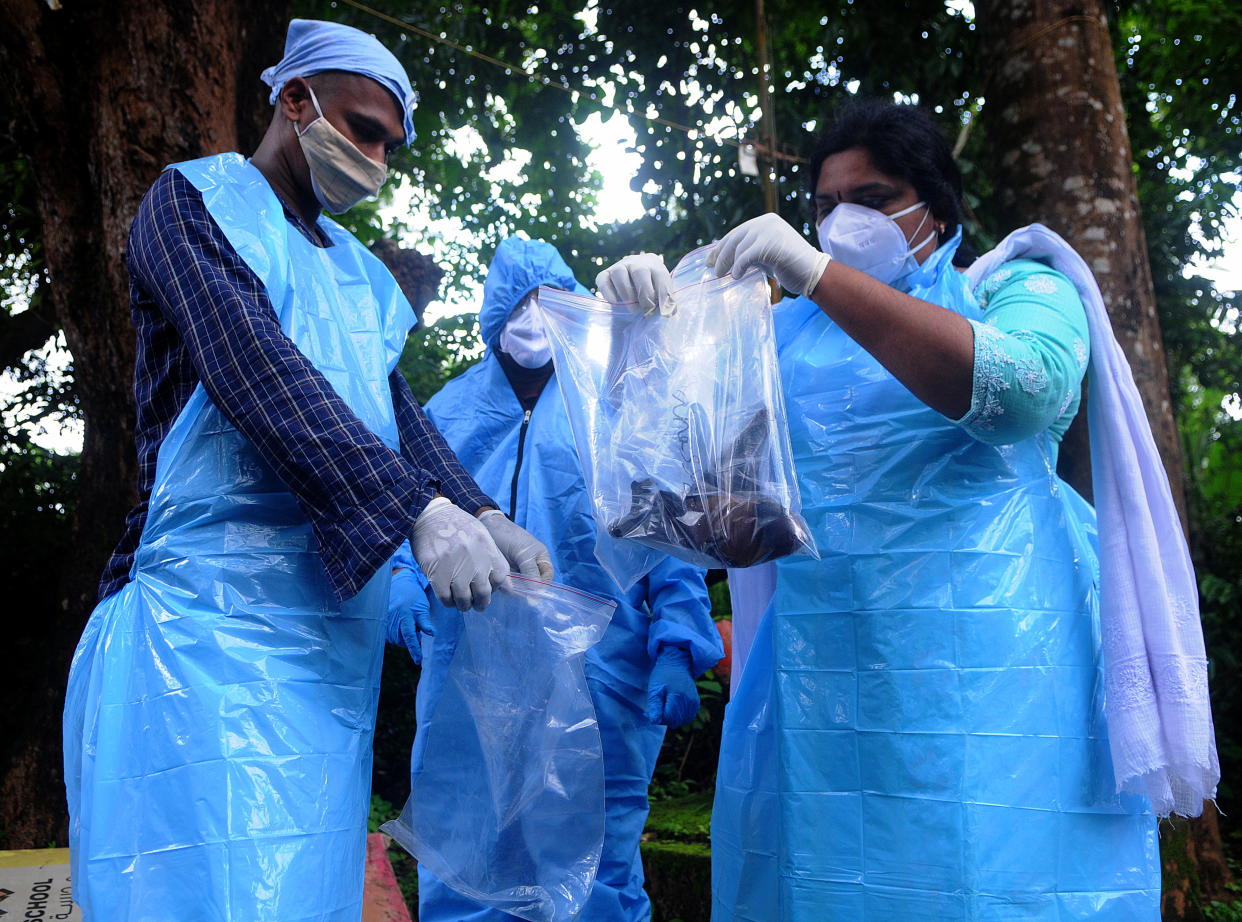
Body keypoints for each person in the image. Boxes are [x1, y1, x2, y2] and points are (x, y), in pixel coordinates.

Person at [598, 100, 1216, 921]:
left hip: (1007, 678)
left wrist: (818, 274)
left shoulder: (1018, 288)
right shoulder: (776, 340)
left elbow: (1022, 395)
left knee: (999, 884)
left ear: (938, 208)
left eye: (874, 197)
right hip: (826, 686)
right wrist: (640, 352)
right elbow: (719, 528)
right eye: (824, 207)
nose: (841, 220)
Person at [61, 20, 551, 922]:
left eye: (391, 147)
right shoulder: (193, 202)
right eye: (363, 129)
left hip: (325, 651)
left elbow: (392, 415)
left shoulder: (364, 277)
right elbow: (256, 369)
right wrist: (418, 512)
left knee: (303, 895)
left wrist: (481, 513)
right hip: (201, 637)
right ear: (295, 100)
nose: (376, 157)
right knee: (203, 891)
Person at [387, 236, 723, 922]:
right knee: (466, 851)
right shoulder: (446, 413)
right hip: (469, 678)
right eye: (517, 305)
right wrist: (398, 582)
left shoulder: (616, 405)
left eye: (547, 302)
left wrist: (677, 645)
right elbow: (403, 504)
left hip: (602, 671)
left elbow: (664, 533)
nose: (533, 318)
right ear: (491, 318)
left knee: (596, 861)